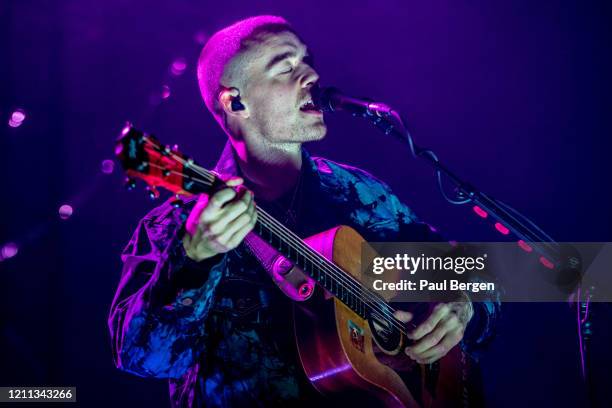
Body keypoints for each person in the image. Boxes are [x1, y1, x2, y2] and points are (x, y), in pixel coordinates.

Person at [108, 15, 499, 407]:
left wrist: (462, 302)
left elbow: (481, 269)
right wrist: (192, 260)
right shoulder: (173, 226)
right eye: (287, 66)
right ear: (236, 101)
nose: (311, 73)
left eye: (307, 60)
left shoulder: (359, 193)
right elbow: (142, 357)